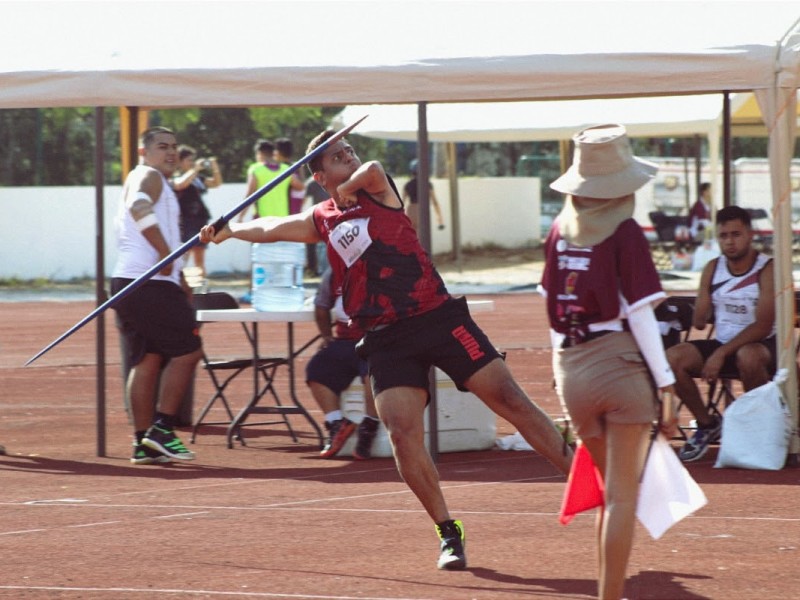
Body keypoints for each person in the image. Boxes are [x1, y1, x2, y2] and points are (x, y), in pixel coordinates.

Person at [200, 128, 573, 571]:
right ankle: (448, 532)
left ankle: (584, 482)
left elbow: (373, 169)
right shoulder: (322, 217)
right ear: (320, 176)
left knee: (510, 400)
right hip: (385, 336)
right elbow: (273, 228)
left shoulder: (376, 189)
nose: (351, 157)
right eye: (338, 156)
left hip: (437, 317)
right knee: (401, 434)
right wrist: (231, 231)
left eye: (350, 150)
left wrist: (349, 184)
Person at [541, 124, 678, 600]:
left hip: (570, 368)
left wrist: (563, 379)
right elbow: (641, 317)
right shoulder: (626, 234)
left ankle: (611, 592)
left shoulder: (558, 231)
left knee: (607, 494)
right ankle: (610, 595)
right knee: (623, 497)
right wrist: (666, 385)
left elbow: (551, 312)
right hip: (617, 366)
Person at [111, 126, 203, 465]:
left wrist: (177, 274)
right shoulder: (147, 175)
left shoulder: (157, 180)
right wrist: (166, 255)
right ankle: (162, 429)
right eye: (162, 146)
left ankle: (142, 442)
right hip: (147, 282)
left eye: (174, 147)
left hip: (132, 282)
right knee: (189, 352)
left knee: (148, 360)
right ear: (143, 151)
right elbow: (138, 206)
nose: (171, 153)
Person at [667, 205, 775, 462]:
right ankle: (706, 424)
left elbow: (762, 325)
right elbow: (701, 322)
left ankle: (755, 428)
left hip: (762, 344)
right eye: (723, 236)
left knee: (748, 356)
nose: (729, 242)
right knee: (672, 359)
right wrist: (702, 305)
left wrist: (719, 354)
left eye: (736, 234)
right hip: (723, 343)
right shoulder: (713, 268)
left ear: (750, 234)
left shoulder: (767, 269)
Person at [306, 267, 380, 459]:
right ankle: (336, 424)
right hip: (346, 341)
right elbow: (321, 305)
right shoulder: (333, 274)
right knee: (317, 369)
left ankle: (369, 427)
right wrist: (326, 335)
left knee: (372, 373)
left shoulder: (383, 268)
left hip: (376, 339)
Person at [172, 145, 222, 279]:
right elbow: (181, 184)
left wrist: (214, 166)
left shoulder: (197, 177)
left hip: (199, 219)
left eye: (193, 160)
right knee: (183, 257)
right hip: (185, 221)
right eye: (189, 160)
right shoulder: (175, 177)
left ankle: (200, 286)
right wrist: (195, 169)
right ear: (180, 161)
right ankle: (180, 284)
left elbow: (216, 183)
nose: (192, 163)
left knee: (200, 256)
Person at [237, 139, 293, 221]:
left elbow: (249, 194)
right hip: (282, 217)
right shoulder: (285, 169)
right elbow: (300, 187)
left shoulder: (256, 169)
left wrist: (241, 216)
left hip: (262, 218)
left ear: (260, 153)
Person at [403, 159, 445, 232]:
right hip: (422, 210)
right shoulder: (427, 184)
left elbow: (401, 203)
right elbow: (434, 202)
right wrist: (440, 219)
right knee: (423, 236)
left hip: (411, 210)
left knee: (413, 236)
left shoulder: (408, 185)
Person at [275, 137, 307, 215]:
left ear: (279, 152)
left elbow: (302, 188)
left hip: (288, 208)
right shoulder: (298, 166)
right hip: (293, 208)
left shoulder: (280, 168)